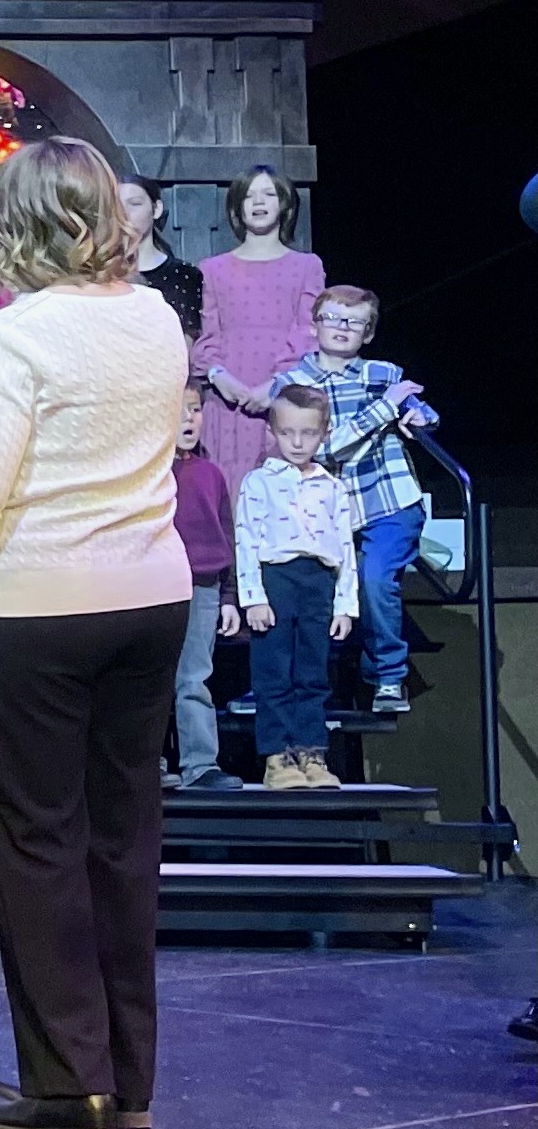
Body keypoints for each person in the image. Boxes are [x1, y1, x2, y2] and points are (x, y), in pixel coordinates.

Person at [0, 136, 189, 1129]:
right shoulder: (155, 313)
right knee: (121, 836)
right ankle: (128, 1076)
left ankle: (70, 1089)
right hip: (151, 598)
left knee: (37, 845)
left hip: (44, 605)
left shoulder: (18, 336)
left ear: (18, 221)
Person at [268, 286, 436, 714]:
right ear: (315, 325)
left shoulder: (385, 375)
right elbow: (318, 448)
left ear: (368, 333)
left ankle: (388, 677)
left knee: (377, 580)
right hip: (324, 509)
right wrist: (384, 411)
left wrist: (416, 416)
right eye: (334, 319)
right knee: (308, 590)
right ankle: (291, 685)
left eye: (355, 322)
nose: (343, 328)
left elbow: (423, 413)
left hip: (387, 499)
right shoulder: (292, 385)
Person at [236, 385, 358, 791]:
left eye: (307, 433)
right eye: (288, 433)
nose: (297, 442)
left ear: (324, 433)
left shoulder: (333, 487)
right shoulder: (258, 482)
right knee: (273, 673)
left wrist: (345, 605)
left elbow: (344, 548)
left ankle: (311, 752)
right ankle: (277, 756)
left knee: (313, 673)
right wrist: (252, 597)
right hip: (277, 580)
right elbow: (247, 540)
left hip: (318, 583)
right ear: (274, 431)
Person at [190, 164, 323, 483]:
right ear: (237, 207)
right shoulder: (212, 269)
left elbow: (309, 333)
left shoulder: (307, 266)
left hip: (286, 401)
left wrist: (277, 384)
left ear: (285, 204)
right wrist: (219, 376)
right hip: (227, 402)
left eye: (268, 194)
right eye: (249, 195)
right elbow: (207, 334)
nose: (258, 202)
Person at [167, 387, 242, 790]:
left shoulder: (210, 474)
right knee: (148, 678)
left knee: (194, 676)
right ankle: (147, 765)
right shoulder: (147, 474)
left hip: (203, 586)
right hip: (155, 584)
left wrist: (228, 597)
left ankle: (200, 764)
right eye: (177, 411)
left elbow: (225, 537)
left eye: (194, 410)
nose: (188, 419)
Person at [118, 169, 201, 338]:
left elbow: (189, 339)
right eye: (116, 206)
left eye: (134, 204)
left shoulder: (184, 275)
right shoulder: (102, 273)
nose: (124, 213)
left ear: (156, 209)